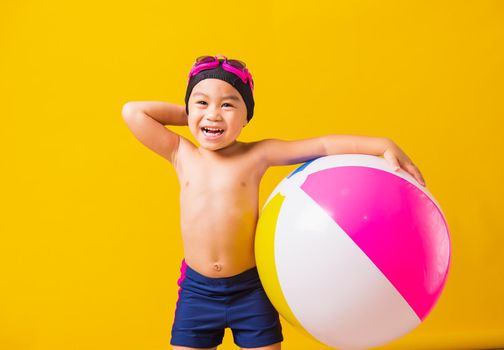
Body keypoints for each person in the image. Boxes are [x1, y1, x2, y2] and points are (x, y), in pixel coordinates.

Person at [121, 54, 426, 350]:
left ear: (246, 117)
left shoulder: (257, 155)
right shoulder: (181, 153)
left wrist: (382, 145)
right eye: (202, 102)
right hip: (197, 291)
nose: (213, 114)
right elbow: (133, 112)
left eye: (228, 105)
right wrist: (192, 113)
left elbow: (321, 145)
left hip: (251, 290)